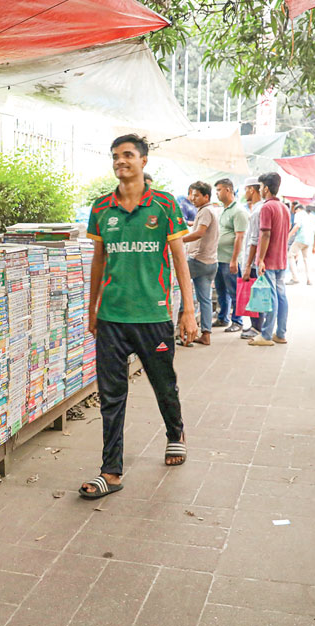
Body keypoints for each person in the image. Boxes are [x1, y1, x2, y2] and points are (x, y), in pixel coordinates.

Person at [81, 134, 197, 499]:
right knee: (111, 396)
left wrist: (188, 310)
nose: (120, 161)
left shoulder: (164, 204)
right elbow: (98, 261)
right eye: (116, 156)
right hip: (112, 318)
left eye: (128, 155)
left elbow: (179, 259)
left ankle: (175, 431)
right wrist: (92, 308)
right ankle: (110, 471)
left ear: (143, 161)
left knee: (164, 384)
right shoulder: (101, 208)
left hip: (153, 317)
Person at [249, 173, 290, 347]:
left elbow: (265, 234)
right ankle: (280, 333)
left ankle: (266, 335)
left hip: (270, 260)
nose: (259, 190)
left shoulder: (266, 207)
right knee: (281, 296)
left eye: (260, 187)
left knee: (272, 298)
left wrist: (260, 259)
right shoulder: (284, 208)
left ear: (265, 188)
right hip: (281, 259)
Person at [180, 181, 220, 346]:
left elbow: (199, 233)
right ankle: (205, 334)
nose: (192, 198)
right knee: (205, 300)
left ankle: (182, 331)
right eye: (191, 195)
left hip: (198, 260)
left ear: (206, 196)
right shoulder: (211, 210)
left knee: (181, 289)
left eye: (196, 195)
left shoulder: (205, 211)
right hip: (210, 262)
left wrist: (178, 240)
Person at [213, 178, 249, 333]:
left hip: (230, 259)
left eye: (219, 190)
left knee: (235, 292)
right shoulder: (224, 210)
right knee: (221, 291)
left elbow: (239, 237)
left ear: (228, 190)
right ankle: (223, 318)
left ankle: (237, 321)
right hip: (219, 258)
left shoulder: (239, 211)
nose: (216, 193)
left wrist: (234, 260)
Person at [240, 177, 265, 339]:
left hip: (254, 261)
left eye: (245, 190)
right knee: (255, 294)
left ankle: (257, 328)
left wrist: (248, 265)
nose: (245, 193)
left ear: (251, 190)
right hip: (255, 259)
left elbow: (254, 241)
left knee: (256, 295)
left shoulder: (258, 211)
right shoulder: (257, 209)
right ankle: (256, 326)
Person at [287, 204, 314, 286]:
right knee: (306, 259)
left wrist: (289, 235)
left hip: (301, 238)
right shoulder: (308, 216)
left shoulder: (298, 214)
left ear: (298, 209)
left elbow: (297, 226)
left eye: (295, 211)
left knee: (290, 255)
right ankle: (309, 279)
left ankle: (295, 278)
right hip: (309, 239)